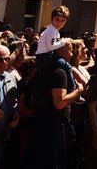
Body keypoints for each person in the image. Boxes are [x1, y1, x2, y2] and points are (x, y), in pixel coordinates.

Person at [29, 38, 83, 169]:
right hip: (54, 126)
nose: (71, 54)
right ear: (61, 51)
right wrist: (78, 91)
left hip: (40, 123)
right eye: (69, 51)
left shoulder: (41, 69)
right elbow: (59, 103)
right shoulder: (59, 73)